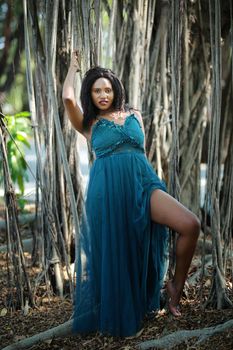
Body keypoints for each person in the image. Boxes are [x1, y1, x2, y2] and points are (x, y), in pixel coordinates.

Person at [62, 51, 200, 337]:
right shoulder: (89, 124)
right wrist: (73, 68)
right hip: (110, 195)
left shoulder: (134, 114)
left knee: (190, 224)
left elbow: (140, 153)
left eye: (107, 89)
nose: (103, 94)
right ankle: (125, 309)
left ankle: (175, 287)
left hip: (143, 184)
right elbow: (67, 98)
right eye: (97, 90)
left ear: (116, 90)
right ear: (90, 93)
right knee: (120, 253)